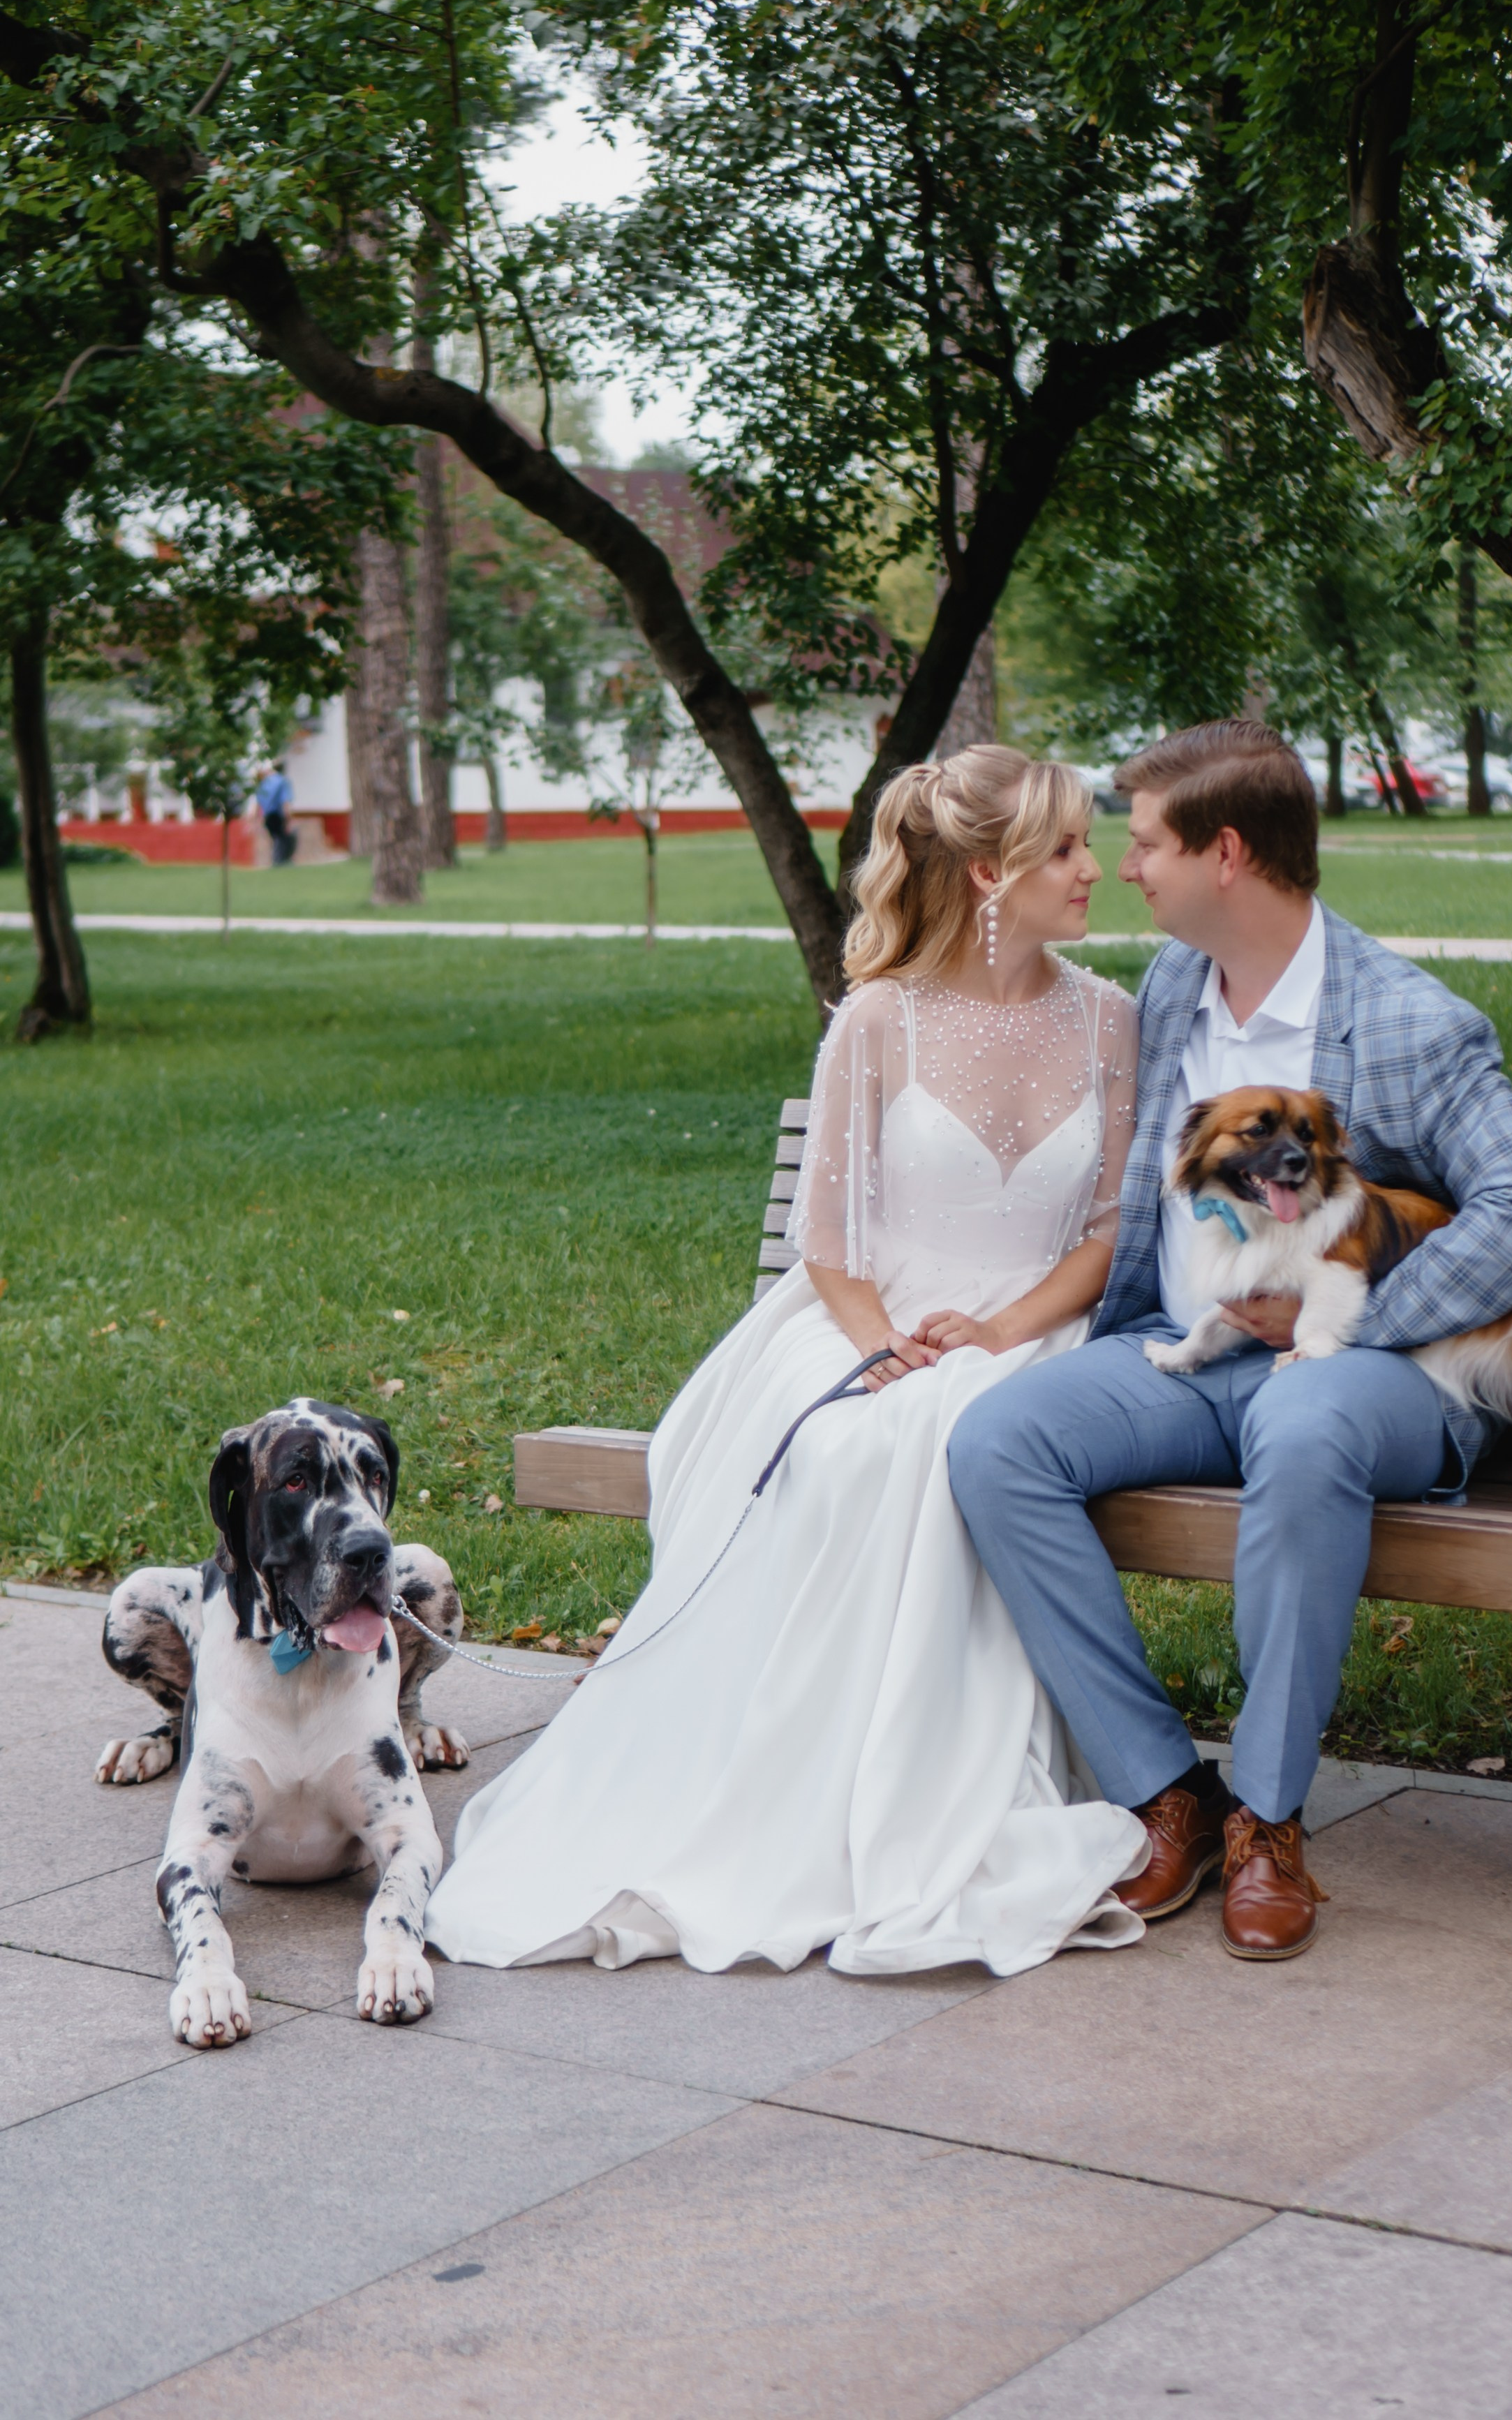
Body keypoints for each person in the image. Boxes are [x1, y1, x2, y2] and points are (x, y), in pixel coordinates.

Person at [426, 748, 1151, 1977]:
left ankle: (925, 1779)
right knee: (858, 1440)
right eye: (1068, 848)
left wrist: (1000, 1331)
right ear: (991, 873)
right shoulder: (879, 1020)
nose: (1096, 868)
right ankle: (801, 1773)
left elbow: (1106, 1235)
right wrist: (881, 1350)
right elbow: (828, 1245)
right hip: (867, 1319)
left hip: (1033, 1330)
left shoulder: (1107, 1020)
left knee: (965, 1432)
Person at [949, 720, 1512, 1962]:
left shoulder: (1404, 1020)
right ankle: (1161, 1790)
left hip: (1369, 1376)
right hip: (1183, 1353)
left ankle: (1266, 1818)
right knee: (997, 1444)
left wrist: (1352, 1318)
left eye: (1145, 842)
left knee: (1299, 1426)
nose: (1124, 866)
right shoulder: (1171, 990)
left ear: (1225, 853)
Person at [255, 760, 295, 866]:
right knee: (283, 838)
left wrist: (259, 818)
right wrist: (288, 818)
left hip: (267, 815)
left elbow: (259, 802)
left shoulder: (265, 782)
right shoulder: (283, 782)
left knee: (276, 837)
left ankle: (277, 860)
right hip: (278, 815)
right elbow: (285, 802)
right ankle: (279, 861)